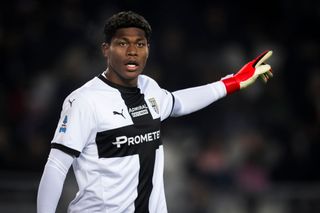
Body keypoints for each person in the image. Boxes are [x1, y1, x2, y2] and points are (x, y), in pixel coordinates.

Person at [37, 11, 273, 213]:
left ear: (148, 49)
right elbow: (57, 166)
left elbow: (179, 102)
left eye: (140, 44)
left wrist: (232, 82)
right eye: (122, 43)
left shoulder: (149, 88)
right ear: (105, 49)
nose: (132, 51)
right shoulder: (84, 101)